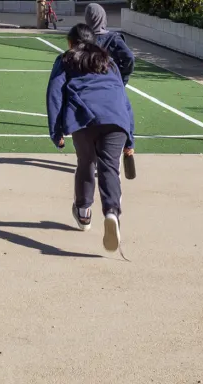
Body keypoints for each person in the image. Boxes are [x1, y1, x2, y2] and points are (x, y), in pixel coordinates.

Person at [47, 26, 135, 255]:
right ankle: (112, 212)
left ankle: (84, 212)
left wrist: (56, 131)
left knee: (86, 162)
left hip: (84, 117)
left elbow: (55, 93)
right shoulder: (109, 62)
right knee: (109, 168)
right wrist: (130, 139)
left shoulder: (66, 60)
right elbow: (123, 99)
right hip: (116, 117)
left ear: (71, 43)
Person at [81, 2, 139, 182]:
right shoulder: (113, 38)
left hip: (90, 89)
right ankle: (128, 146)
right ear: (103, 18)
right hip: (112, 87)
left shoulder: (84, 40)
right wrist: (121, 78)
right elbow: (129, 58)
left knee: (92, 120)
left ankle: (94, 155)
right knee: (125, 111)